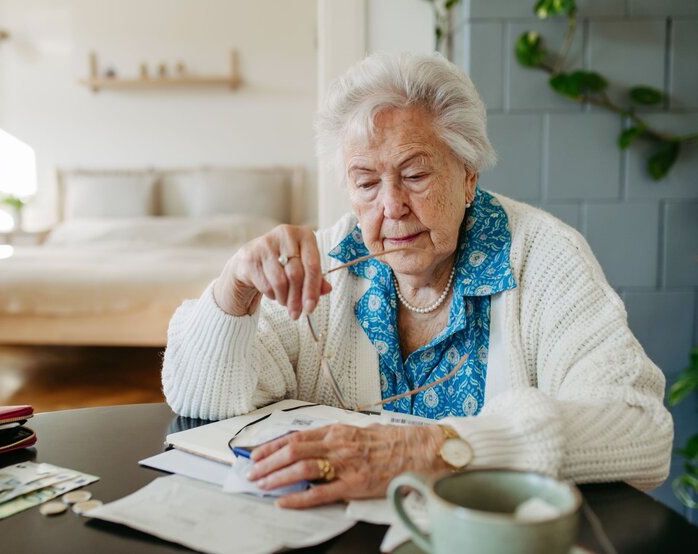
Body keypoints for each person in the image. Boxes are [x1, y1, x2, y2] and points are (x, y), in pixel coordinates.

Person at [162, 52, 673, 509]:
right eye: (366, 182)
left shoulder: (542, 257)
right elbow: (203, 400)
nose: (391, 206)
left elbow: (641, 430)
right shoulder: (328, 266)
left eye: (415, 174)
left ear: (468, 174)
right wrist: (233, 292)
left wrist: (439, 448)